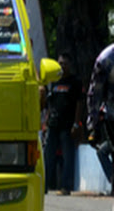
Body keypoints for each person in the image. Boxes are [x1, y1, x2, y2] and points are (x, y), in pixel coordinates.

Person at [43, 52, 83, 195]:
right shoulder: (54, 81)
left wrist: (76, 124)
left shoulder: (75, 82)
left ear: (70, 65)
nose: (62, 66)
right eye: (60, 63)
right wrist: (46, 122)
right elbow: (50, 103)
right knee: (48, 156)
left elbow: (79, 104)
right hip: (53, 124)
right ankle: (45, 185)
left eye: (65, 63)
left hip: (67, 125)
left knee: (68, 157)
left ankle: (66, 187)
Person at [86, 44, 114, 196]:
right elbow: (95, 94)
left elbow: (94, 95)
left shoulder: (105, 58)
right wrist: (93, 124)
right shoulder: (106, 60)